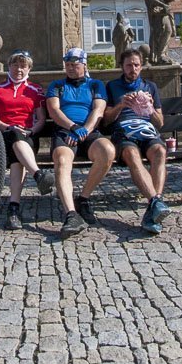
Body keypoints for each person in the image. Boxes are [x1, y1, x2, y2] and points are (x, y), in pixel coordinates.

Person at [45, 47, 115, 238]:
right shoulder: (57, 85)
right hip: (65, 131)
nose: (70, 68)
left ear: (84, 65)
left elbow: (98, 110)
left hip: (88, 132)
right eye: (67, 65)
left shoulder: (95, 85)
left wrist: (84, 129)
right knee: (62, 161)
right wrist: (73, 127)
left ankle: (83, 198)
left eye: (74, 65)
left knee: (107, 151)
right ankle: (71, 214)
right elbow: (54, 110)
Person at [0, 50, 54, 230]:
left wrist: (31, 131)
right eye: (15, 65)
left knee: (17, 151)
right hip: (1, 135)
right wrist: (7, 127)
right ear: (9, 66)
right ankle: (37, 175)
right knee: (14, 136)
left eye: (23, 66)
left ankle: (14, 209)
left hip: (27, 137)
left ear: (29, 69)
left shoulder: (35, 90)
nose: (19, 69)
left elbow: (41, 119)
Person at [104, 46, 169, 235]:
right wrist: (121, 105)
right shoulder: (112, 86)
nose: (133, 69)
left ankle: (154, 204)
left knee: (160, 152)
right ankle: (156, 203)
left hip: (147, 131)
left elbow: (160, 123)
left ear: (141, 66)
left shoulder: (150, 87)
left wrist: (149, 108)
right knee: (132, 154)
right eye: (129, 65)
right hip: (124, 132)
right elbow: (106, 120)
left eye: (136, 65)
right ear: (122, 67)